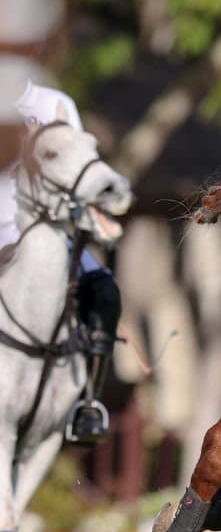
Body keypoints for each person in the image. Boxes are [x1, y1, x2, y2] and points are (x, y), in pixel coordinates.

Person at [2, 81, 122, 440]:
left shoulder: (56, 102)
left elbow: (80, 173)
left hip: (51, 233)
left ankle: (87, 406)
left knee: (105, 291)